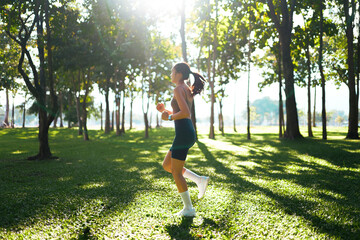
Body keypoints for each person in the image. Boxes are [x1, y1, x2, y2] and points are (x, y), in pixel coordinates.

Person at [156, 62, 210, 217]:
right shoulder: (186, 89)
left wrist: (169, 117)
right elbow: (181, 111)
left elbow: (184, 113)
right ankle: (199, 180)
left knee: (175, 171)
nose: (171, 74)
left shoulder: (178, 88)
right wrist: (165, 111)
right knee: (167, 165)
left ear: (179, 73)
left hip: (184, 132)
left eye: (172, 71)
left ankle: (189, 209)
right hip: (186, 131)